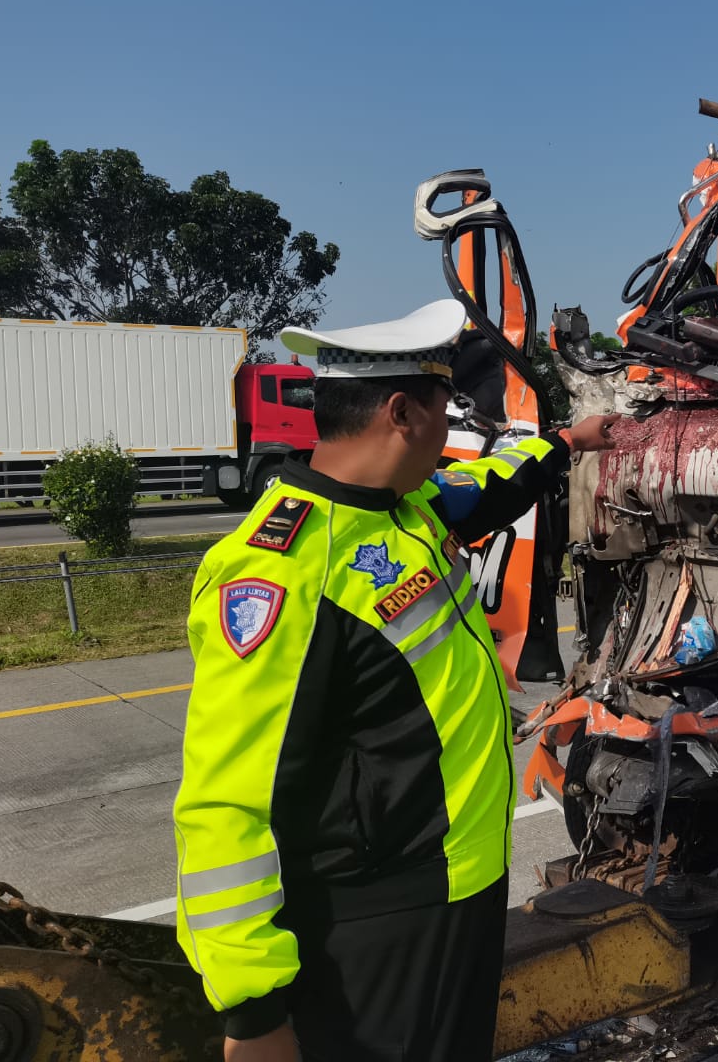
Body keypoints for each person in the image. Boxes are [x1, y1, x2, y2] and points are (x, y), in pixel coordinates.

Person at [171, 298, 618, 1062]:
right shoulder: (280, 575)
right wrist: (251, 1014)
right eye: (446, 409)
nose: (452, 431)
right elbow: (226, 803)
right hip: (379, 917)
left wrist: (567, 441)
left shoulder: (404, 510)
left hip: (458, 884)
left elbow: (490, 483)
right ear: (402, 412)